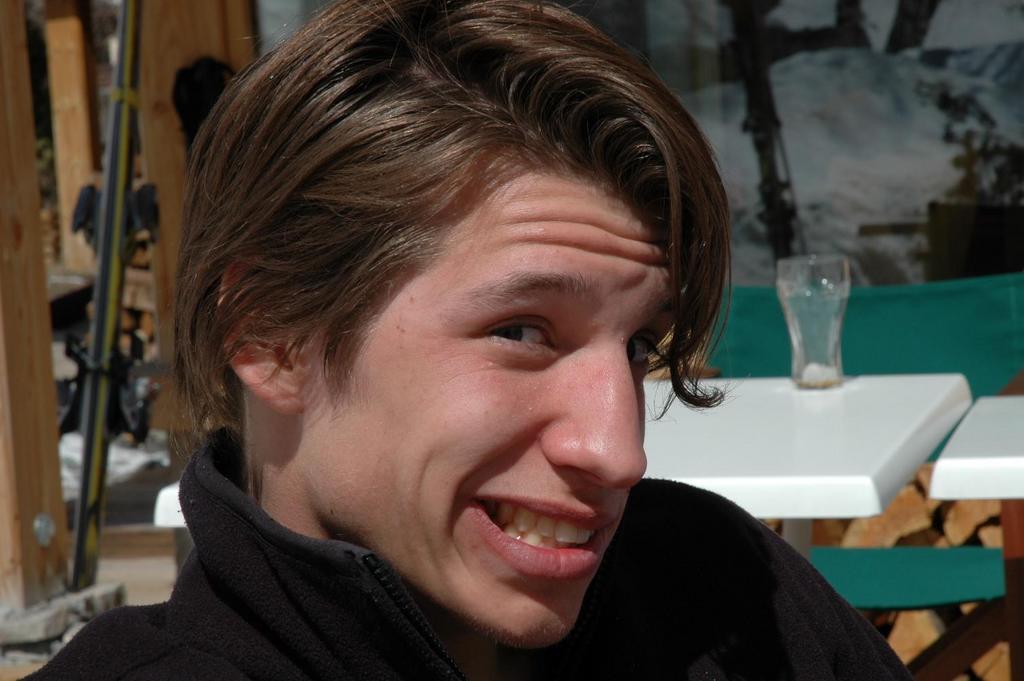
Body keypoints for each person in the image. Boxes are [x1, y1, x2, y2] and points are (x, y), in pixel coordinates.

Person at [31, 1, 912, 679]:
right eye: (521, 330)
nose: (618, 452)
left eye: (640, 346)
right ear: (271, 333)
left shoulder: (720, 588)